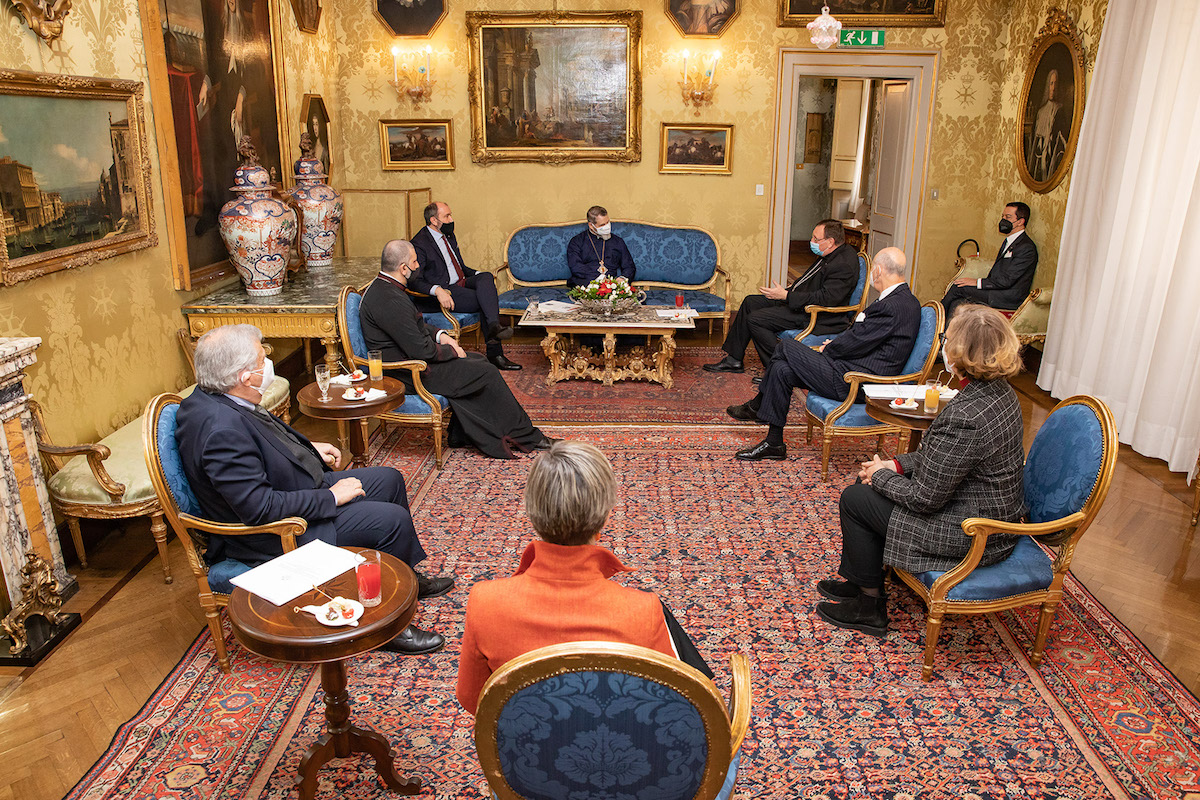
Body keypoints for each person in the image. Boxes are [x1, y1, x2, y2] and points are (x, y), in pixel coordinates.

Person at [175, 324, 452, 655]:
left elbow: (264, 439)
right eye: (263, 359)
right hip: (273, 532)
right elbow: (258, 508)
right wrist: (331, 498)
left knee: (389, 478)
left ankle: (402, 577)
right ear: (244, 376)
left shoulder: (222, 395)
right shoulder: (220, 429)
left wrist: (308, 450)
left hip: (291, 486)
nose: (269, 365)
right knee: (390, 521)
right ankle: (385, 624)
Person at [814, 304, 1027, 636]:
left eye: (949, 340)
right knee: (871, 489)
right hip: (988, 510)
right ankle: (860, 582)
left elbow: (925, 498)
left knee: (856, 498)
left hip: (973, 530)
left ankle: (869, 608)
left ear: (961, 353)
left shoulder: (966, 415)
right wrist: (894, 464)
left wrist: (879, 475)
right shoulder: (1000, 393)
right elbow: (943, 457)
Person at [456, 440, 712, 714]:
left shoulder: (484, 601)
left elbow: (473, 700)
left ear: (531, 511)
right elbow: (679, 705)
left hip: (524, 754)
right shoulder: (644, 610)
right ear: (605, 516)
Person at [360, 240, 553, 459]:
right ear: (403, 268)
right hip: (407, 372)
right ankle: (528, 436)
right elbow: (420, 350)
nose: (418, 267)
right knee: (485, 371)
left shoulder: (387, 288)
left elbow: (415, 325)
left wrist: (441, 336)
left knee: (477, 361)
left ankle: (459, 434)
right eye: (414, 262)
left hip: (415, 360)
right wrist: (454, 352)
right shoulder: (389, 298)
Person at [728, 247, 921, 461]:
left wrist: (829, 347)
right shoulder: (903, 300)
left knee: (785, 347)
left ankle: (758, 404)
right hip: (852, 368)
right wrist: (838, 343)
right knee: (782, 369)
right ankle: (774, 443)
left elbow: (858, 340)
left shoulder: (892, 306)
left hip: (855, 381)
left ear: (877, 270)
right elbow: (864, 339)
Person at [704, 219, 859, 374]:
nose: (811, 242)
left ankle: (778, 368)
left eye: (815, 239)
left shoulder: (843, 263)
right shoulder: (830, 253)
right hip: (801, 303)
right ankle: (734, 360)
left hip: (818, 315)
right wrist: (787, 292)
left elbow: (827, 299)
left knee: (756, 320)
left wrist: (786, 296)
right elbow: (811, 282)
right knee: (750, 302)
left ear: (830, 241)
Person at [410, 201, 519, 371]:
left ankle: (493, 330)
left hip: (461, 282)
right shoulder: (419, 243)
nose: (451, 219)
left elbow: (461, 267)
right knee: (486, 301)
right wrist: (437, 290)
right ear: (433, 220)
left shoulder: (449, 236)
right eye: (446, 216)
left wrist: (481, 276)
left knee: (486, 278)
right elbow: (415, 280)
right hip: (445, 291)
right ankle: (495, 353)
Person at [940, 202, 1038, 320]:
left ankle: (933, 320)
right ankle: (944, 335)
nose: (1003, 220)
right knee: (957, 303)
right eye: (1002, 216)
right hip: (997, 290)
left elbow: (1007, 280)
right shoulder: (1009, 241)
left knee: (958, 288)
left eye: (1008, 217)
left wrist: (977, 282)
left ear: (1020, 221)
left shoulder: (1026, 247)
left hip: (1008, 297)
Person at [566, 205, 636, 288]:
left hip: (612, 287)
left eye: (608, 222)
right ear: (591, 225)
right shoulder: (577, 241)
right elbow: (576, 268)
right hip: (586, 285)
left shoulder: (617, 241)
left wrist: (622, 278)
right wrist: (599, 280)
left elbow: (629, 266)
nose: (607, 226)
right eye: (602, 225)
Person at [1026, 69, 1069, 183]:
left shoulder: (1059, 111)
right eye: (1051, 83)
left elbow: (1060, 139)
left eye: (1056, 84)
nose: (1053, 88)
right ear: (1047, 85)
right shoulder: (1040, 112)